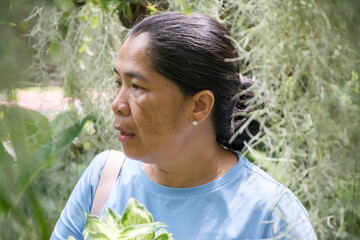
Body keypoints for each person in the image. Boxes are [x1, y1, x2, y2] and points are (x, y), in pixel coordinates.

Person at [51, 12, 317, 240]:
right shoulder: (105, 179)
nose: (117, 104)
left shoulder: (272, 214)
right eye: (118, 83)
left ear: (199, 105)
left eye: (137, 87)